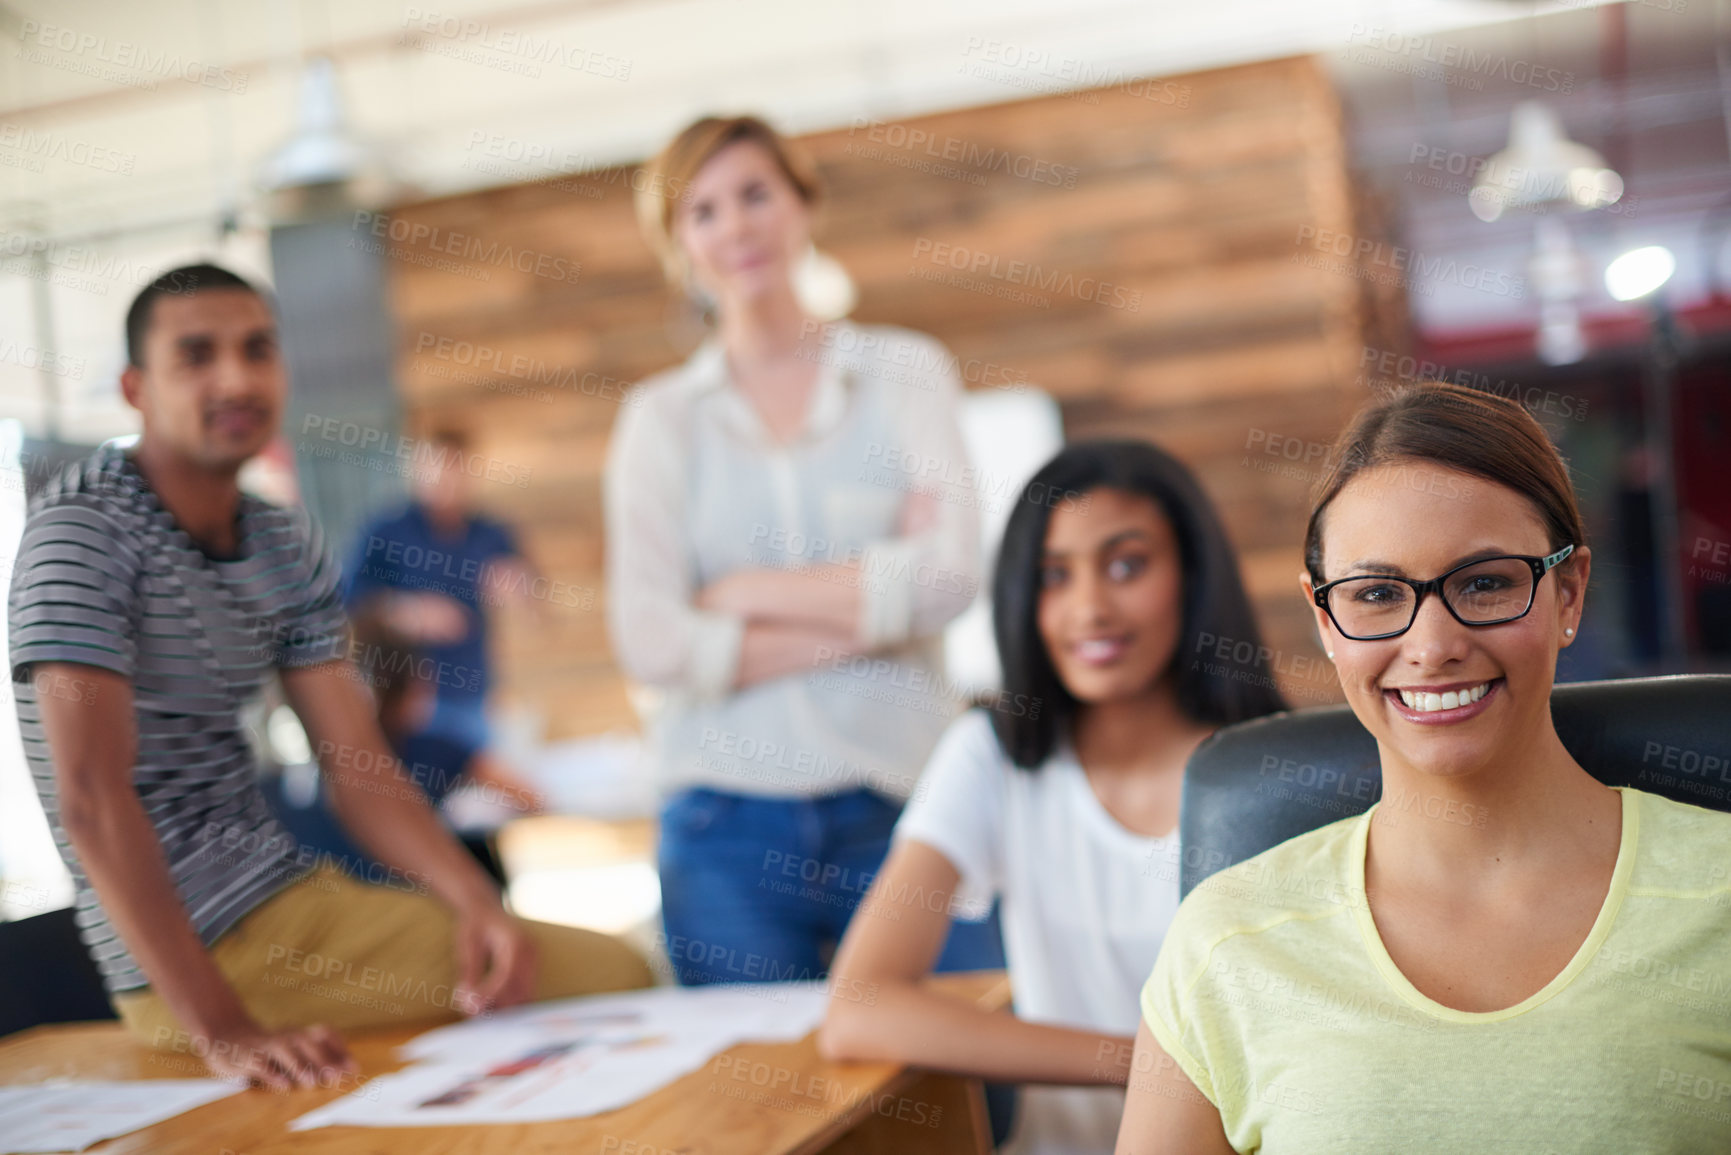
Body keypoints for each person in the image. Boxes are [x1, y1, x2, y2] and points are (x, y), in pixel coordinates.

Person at [8, 264, 650, 1091]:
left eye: (256, 350)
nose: (234, 377)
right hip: (202, 957)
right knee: (617, 973)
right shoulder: (83, 533)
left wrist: (470, 897)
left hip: (295, 898)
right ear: (136, 388)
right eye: (196, 355)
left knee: (524, 968)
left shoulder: (281, 538)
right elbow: (91, 797)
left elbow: (358, 762)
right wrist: (224, 1029)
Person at [1121, 382, 1731, 1153]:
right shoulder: (1226, 940)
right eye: (1376, 593)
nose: (1433, 642)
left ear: (1567, 591)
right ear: (1325, 621)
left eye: (1484, 582)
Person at [605, 115, 1002, 985]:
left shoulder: (905, 372)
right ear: (676, 242)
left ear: (803, 203)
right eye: (702, 210)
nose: (735, 226)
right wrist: (871, 609)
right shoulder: (658, 420)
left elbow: (951, 575)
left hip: (906, 804)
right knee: (762, 1103)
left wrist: (740, 590)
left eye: (755, 193)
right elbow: (649, 638)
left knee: (967, 1095)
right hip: (722, 823)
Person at [820, 440, 1286, 1155]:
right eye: (1052, 576)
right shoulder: (991, 756)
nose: (1089, 607)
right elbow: (858, 1008)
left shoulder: (1281, 767)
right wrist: (1148, 1065)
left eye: (1127, 565)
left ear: (1191, 574)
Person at [342, 425, 531, 753]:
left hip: (477, 694)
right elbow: (349, 601)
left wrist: (519, 590)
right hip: (410, 702)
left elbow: (535, 601)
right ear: (416, 468)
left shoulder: (491, 533)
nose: (447, 480)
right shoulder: (386, 531)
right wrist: (408, 612)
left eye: (456, 468)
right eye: (437, 467)